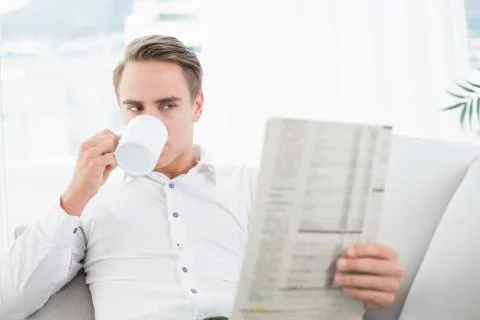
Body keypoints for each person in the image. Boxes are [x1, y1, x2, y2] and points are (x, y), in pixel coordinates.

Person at [0, 35, 404, 320]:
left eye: (168, 105)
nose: (150, 120)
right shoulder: (92, 202)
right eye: (136, 107)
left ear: (197, 107)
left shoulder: (252, 185)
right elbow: (10, 302)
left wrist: (360, 279)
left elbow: (312, 282)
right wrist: (75, 195)